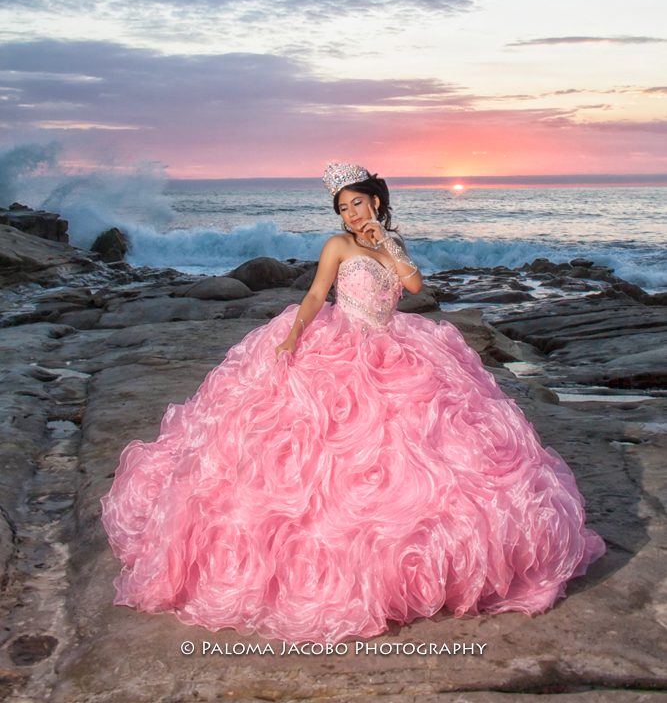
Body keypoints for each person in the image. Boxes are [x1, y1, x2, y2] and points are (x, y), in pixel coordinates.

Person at [101, 163, 605, 643]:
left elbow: (413, 286)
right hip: (338, 341)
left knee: (424, 440)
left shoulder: (392, 243)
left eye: (358, 204)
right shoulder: (338, 245)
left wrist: (386, 242)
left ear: (376, 202)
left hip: (393, 343)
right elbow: (318, 295)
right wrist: (293, 334)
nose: (352, 215)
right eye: (344, 208)